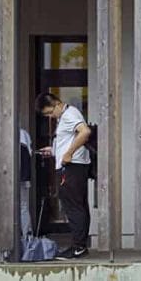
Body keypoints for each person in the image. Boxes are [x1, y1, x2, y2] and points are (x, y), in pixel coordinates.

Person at [37, 90, 92, 258]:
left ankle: (78, 245)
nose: (50, 116)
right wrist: (54, 150)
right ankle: (79, 244)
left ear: (57, 104)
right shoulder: (65, 116)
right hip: (73, 165)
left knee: (73, 205)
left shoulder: (69, 114)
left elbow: (85, 132)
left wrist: (68, 153)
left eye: (50, 112)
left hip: (71, 166)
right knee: (77, 204)